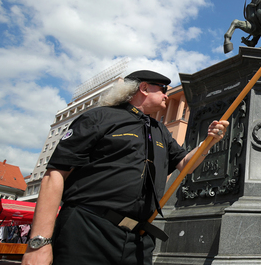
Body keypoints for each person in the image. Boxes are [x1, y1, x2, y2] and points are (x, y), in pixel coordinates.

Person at [22, 70, 229, 265]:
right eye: (163, 89)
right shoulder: (100, 117)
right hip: (88, 229)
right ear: (144, 88)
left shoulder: (160, 130)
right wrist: (39, 243)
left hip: (137, 238)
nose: (166, 96)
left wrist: (209, 141)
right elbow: (55, 174)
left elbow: (186, 165)